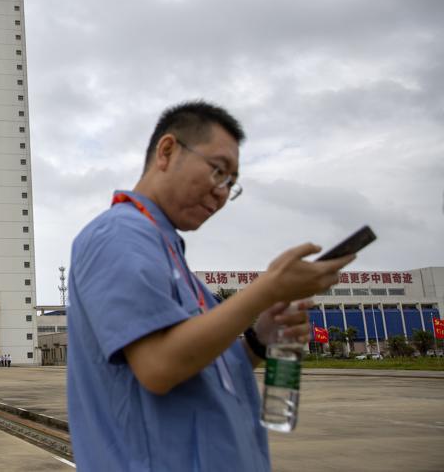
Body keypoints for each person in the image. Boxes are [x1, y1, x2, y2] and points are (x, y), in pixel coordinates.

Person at [66, 102, 355, 472]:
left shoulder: (173, 261)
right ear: (167, 151)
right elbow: (159, 366)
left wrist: (257, 340)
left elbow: (204, 368)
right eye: (218, 171)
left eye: (231, 184)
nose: (222, 192)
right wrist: (265, 289)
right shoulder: (119, 235)